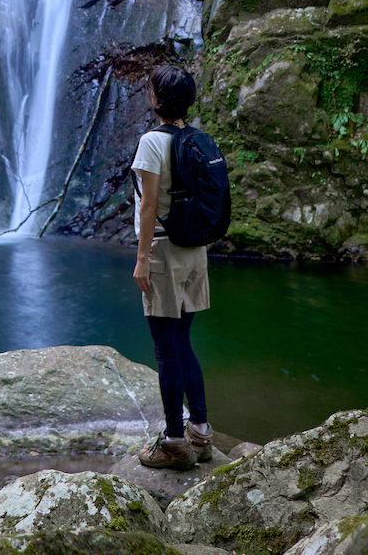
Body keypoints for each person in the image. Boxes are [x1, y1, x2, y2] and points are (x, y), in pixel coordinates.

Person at [131, 63, 212, 469]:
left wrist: (142, 258)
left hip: (162, 250)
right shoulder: (197, 140)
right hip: (194, 250)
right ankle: (200, 429)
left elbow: (148, 205)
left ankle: (175, 442)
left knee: (166, 350)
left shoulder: (152, 142)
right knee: (183, 342)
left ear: (156, 99)